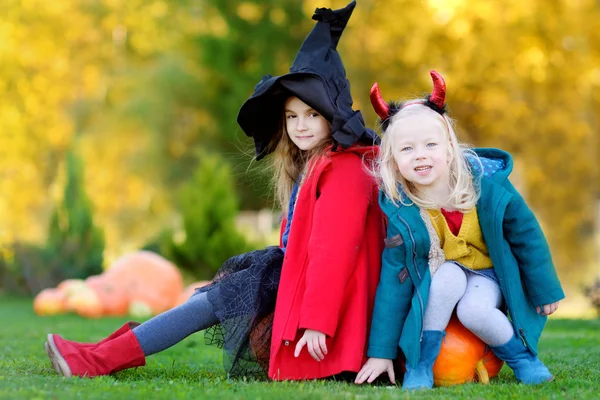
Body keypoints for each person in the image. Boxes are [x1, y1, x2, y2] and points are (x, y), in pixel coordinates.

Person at [45, 1, 385, 381]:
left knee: (205, 303)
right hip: (295, 276)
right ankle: (98, 354)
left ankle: (96, 360)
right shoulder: (320, 162)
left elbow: (334, 251)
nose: (300, 126)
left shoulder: (346, 169)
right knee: (203, 300)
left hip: (325, 306)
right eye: (292, 116)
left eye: (312, 114)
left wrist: (317, 321)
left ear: (332, 116)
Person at [354, 71, 565, 389]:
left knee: (475, 311)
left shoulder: (488, 188)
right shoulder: (403, 210)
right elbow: (393, 279)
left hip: (487, 273)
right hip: (439, 275)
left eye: (430, 144)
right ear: (394, 161)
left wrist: (544, 288)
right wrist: (380, 353)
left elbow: (527, 235)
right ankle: (421, 364)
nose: (420, 154)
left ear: (450, 149)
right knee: (447, 279)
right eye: (407, 149)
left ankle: (522, 359)